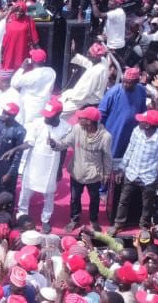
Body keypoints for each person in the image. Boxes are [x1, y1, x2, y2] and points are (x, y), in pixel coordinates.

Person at [113, 109, 158, 232]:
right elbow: (130, 149)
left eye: (142, 121)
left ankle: (144, 227)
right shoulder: (136, 131)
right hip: (132, 173)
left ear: (147, 125)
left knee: (147, 204)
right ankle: (118, 224)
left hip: (149, 177)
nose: (139, 122)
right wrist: (122, 168)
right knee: (123, 201)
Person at [16, 97, 71, 232]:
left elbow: (63, 150)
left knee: (49, 194)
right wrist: (14, 150)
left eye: (50, 116)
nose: (46, 118)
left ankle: (45, 219)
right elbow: (29, 142)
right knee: (26, 191)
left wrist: (59, 169)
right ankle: (22, 215)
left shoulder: (66, 128)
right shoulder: (37, 123)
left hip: (52, 166)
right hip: (34, 163)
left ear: (58, 114)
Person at [59, 107, 114, 229]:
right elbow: (65, 142)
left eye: (81, 117)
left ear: (89, 121)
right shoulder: (77, 129)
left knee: (94, 199)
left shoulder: (105, 137)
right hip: (76, 172)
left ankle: (93, 219)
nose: (78, 119)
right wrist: (55, 144)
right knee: (74, 198)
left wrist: (106, 174)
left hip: (94, 175)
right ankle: (74, 219)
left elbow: (107, 157)